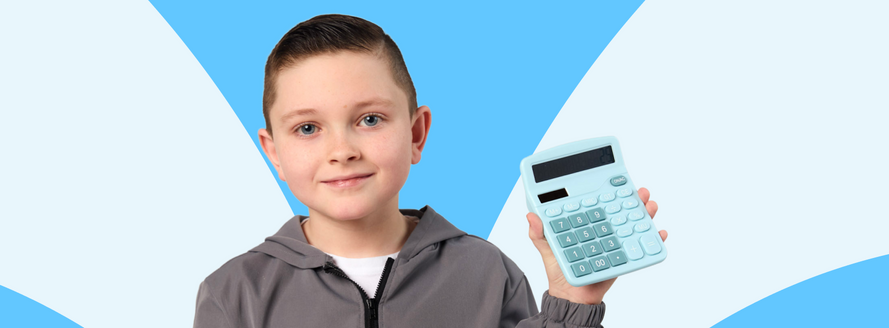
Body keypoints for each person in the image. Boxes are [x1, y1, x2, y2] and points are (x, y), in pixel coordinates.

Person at [193, 14, 669, 328]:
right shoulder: (234, 294)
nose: (342, 150)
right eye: (308, 128)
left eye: (370, 119)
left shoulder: (487, 273)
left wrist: (572, 301)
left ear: (417, 134)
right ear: (273, 153)